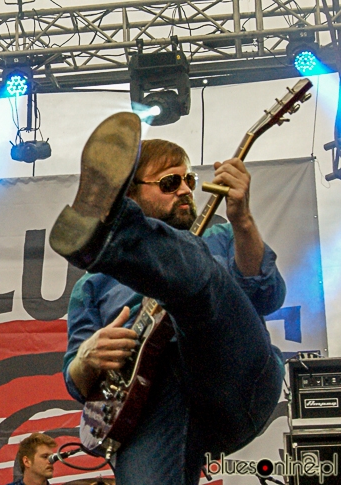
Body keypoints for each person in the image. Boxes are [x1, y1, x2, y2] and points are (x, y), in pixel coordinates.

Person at [49, 113, 285, 485]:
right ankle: (111, 231)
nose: (187, 190)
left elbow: (266, 295)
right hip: (150, 401)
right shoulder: (91, 288)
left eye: (189, 180)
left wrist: (243, 222)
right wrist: (87, 357)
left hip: (235, 382)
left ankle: (108, 234)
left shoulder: (222, 237)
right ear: (131, 193)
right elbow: (75, 382)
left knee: (197, 265)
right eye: (170, 182)